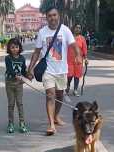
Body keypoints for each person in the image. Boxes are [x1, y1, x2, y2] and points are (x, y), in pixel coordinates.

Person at [27, 6, 82, 136]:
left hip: (62, 70)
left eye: (54, 15)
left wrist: (78, 56)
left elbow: (74, 46)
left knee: (60, 96)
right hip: (48, 70)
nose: (52, 18)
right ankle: (51, 124)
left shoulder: (65, 30)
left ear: (58, 16)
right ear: (46, 18)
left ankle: (56, 116)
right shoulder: (42, 32)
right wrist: (30, 69)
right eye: (50, 16)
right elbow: (36, 52)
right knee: (50, 95)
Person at [4, 38, 29, 134]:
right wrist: (16, 76)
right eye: (12, 47)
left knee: (20, 103)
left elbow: (23, 70)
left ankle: (22, 123)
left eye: (16, 47)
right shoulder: (8, 58)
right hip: (10, 83)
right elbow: (10, 69)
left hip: (19, 84)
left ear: (20, 47)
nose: (15, 49)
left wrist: (28, 75)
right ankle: (10, 124)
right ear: (9, 48)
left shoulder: (22, 58)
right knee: (11, 104)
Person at [66, 24, 88, 97]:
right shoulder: (69, 37)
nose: (78, 29)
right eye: (77, 27)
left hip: (78, 61)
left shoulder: (82, 38)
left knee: (77, 76)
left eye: (79, 28)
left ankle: (75, 90)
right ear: (74, 28)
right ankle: (68, 85)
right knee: (70, 75)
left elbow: (84, 49)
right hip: (69, 60)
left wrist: (86, 59)